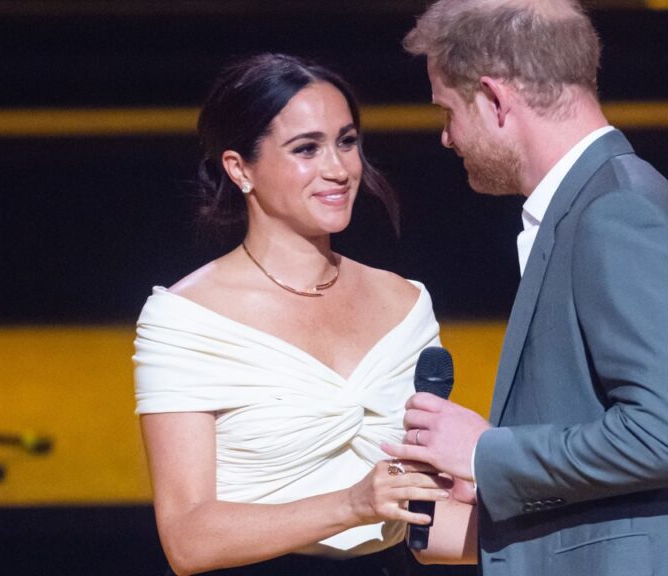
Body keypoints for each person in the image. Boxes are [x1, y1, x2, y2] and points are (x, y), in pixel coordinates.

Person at [383, 1, 668, 574]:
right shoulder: (607, 201)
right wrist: (503, 477)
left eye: (448, 110)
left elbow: (661, 438)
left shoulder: (616, 214)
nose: (446, 137)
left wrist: (484, 452)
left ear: (494, 99)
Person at [132, 53, 452, 576]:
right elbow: (187, 539)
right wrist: (352, 504)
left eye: (346, 142)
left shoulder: (404, 303)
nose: (338, 169)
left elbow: (428, 523)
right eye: (307, 149)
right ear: (240, 169)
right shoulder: (186, 319)